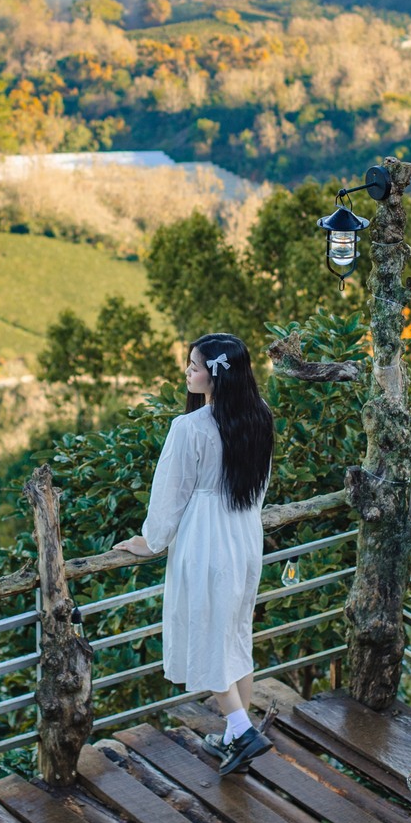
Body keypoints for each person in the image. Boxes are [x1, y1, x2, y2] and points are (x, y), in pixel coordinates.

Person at [112, 332, 275, 775]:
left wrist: (151, 541)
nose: (187, 371)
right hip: (243, 536)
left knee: (209, 633)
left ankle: (241, 729)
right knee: (235, 633)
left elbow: (171, 493)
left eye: (194, 365)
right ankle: (232, 735)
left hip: (204, 539)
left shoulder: (190, 428)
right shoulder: (260, 418)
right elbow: (258, 488)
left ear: (216, 374)